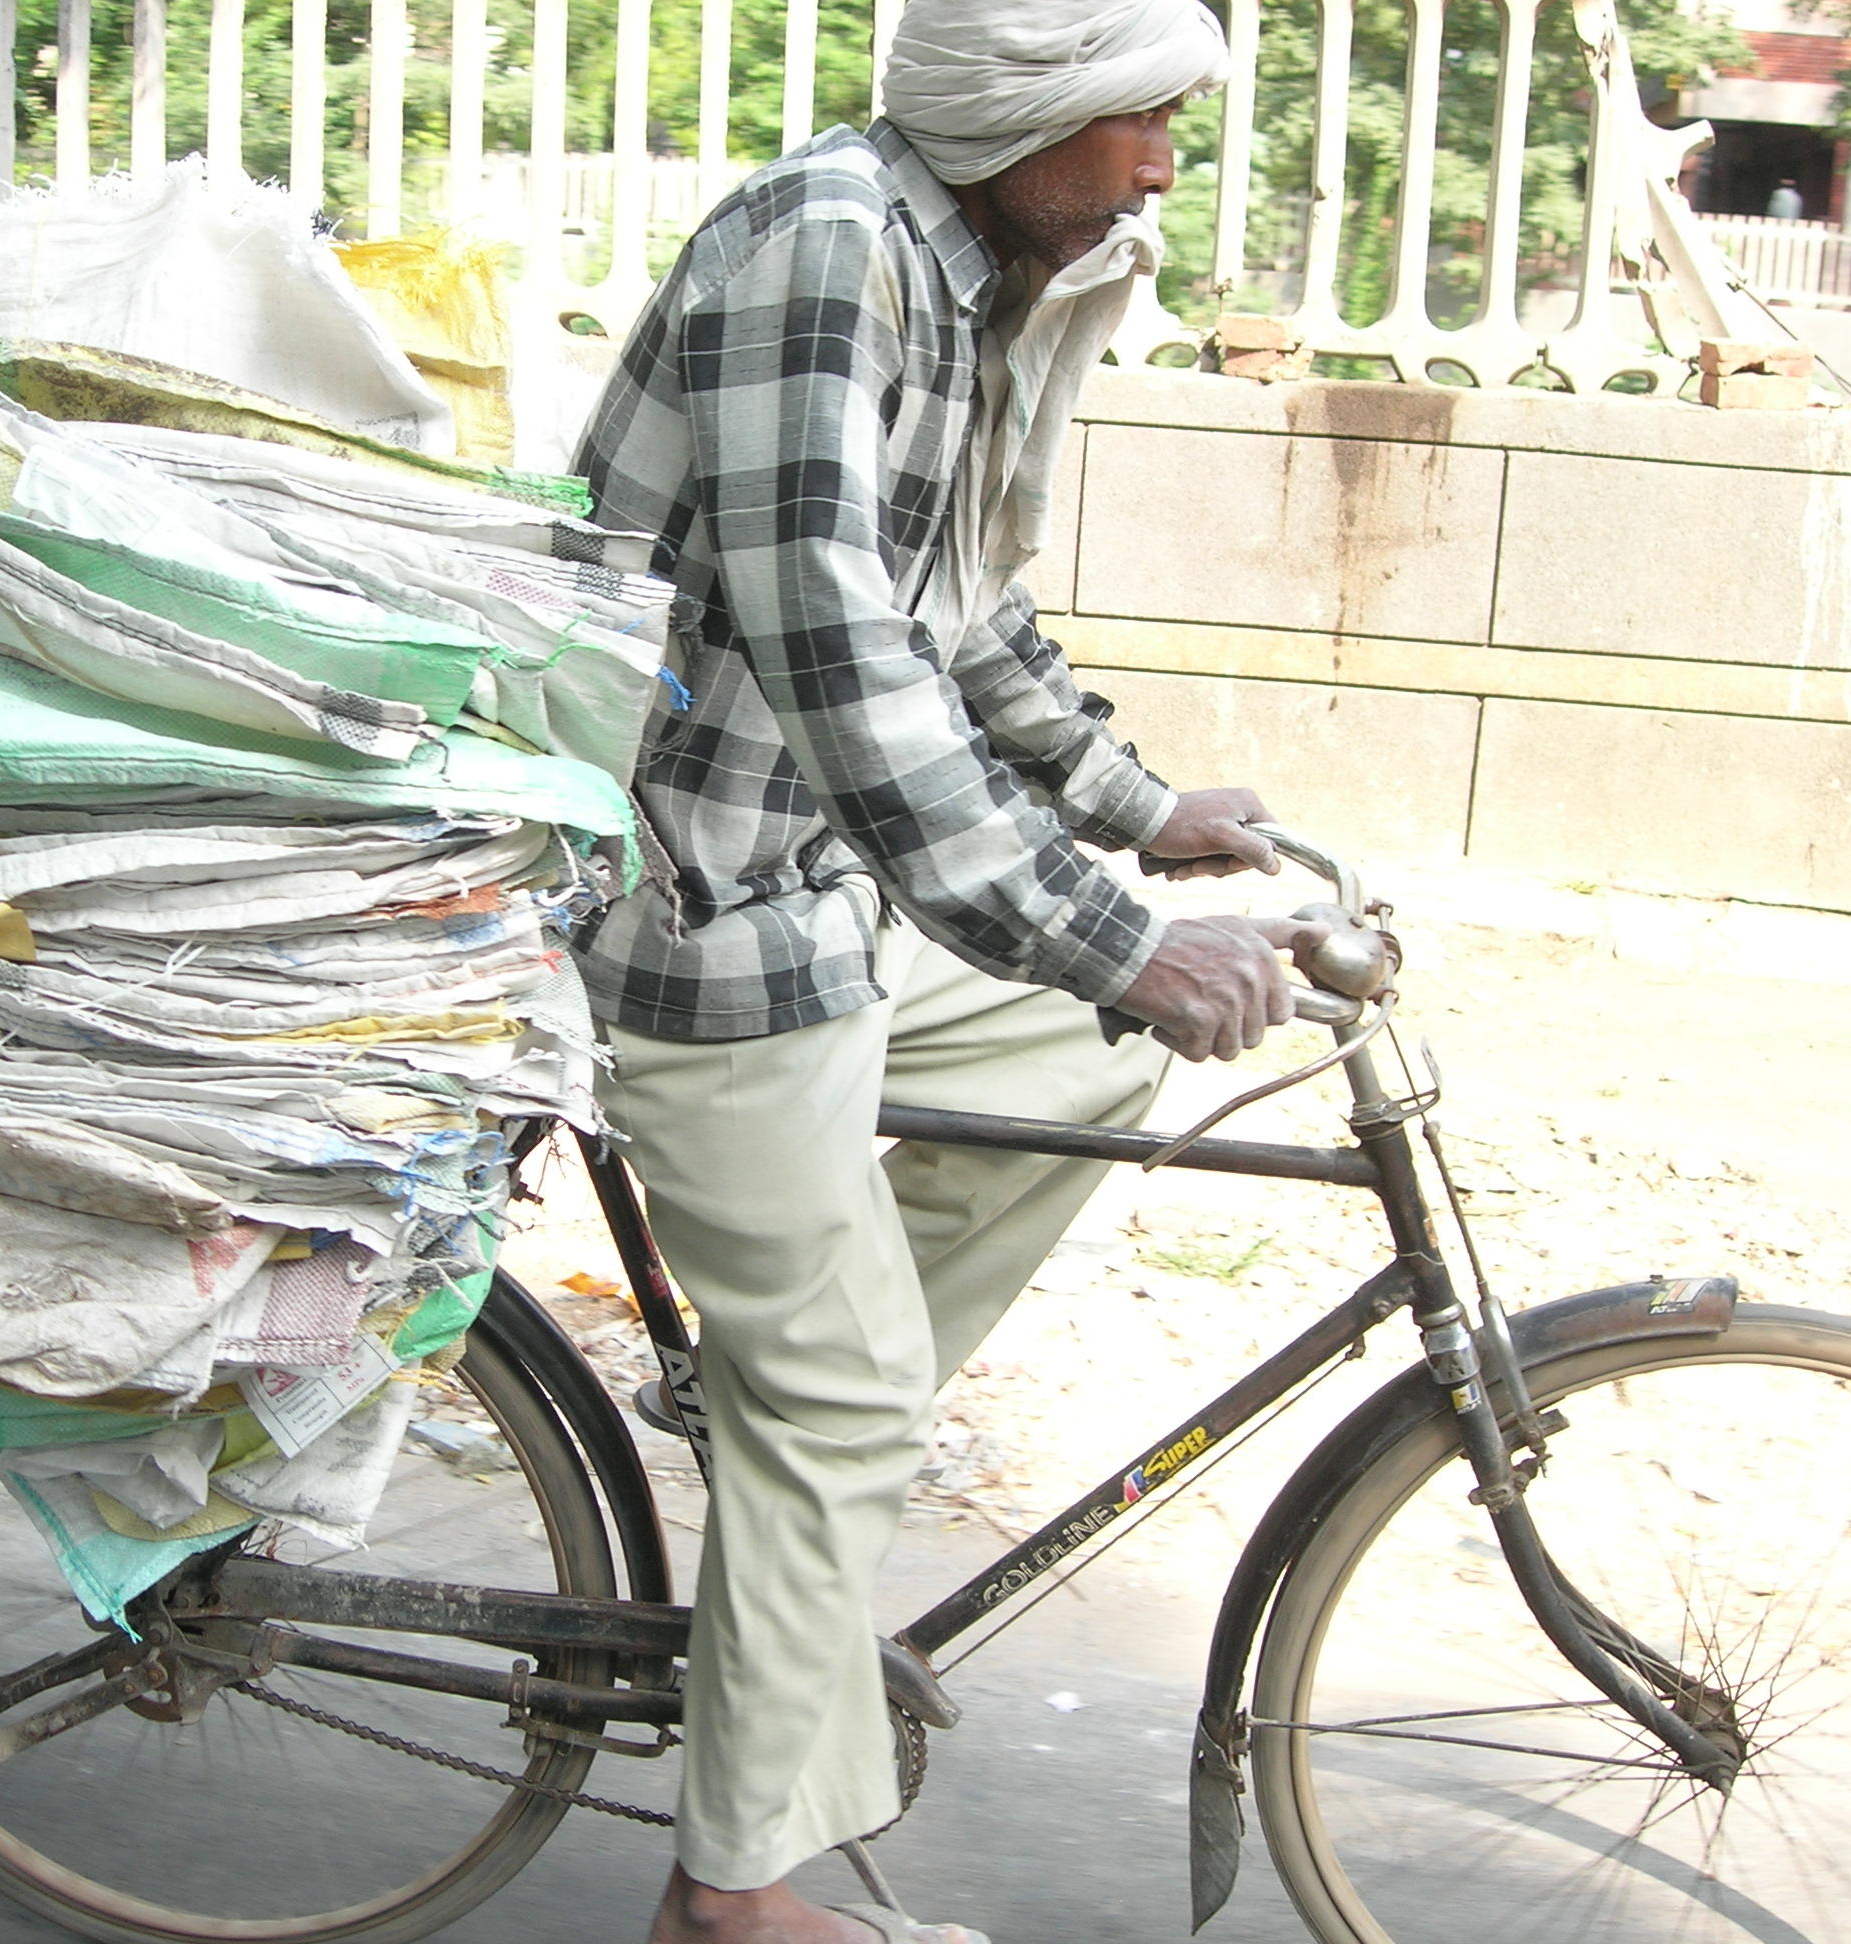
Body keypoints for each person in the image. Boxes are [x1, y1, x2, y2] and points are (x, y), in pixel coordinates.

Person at [571, 3, 1325, 1937]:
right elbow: (840, 645)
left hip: (812, 896)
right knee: (841, 1398)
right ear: (1025, 114)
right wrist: (1112, 936)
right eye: (1138, 116)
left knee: (1077, 1066)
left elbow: (963, 606)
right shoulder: (826, 250)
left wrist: (1140, 813)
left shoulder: (948, 269)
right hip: (697, 916)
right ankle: (731, 1902)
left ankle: (800, 1391)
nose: (1162, 160)